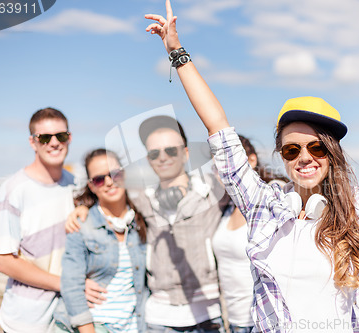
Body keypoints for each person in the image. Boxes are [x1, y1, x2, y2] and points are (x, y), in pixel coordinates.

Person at [145, 1, 359, 332]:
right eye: (292, 149)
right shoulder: (264, 206)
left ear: (332, 152)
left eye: (316, 147)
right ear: (283, 156)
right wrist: (177, 51)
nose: (304, 157)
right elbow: (217, 125)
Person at [66, 116, 227, 332]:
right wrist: (82, 206)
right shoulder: (141, 199)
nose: (163, 158)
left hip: (208, 314)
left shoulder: (216, 191)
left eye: (171, 150)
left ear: (185, 153)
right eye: (154, 153)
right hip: (158, 319)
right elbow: (109, 194)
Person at [0, 107, 75, 332]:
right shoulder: (13, 190)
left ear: (70, 137)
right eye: (45, 137)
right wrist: (66, 285)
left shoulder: (76, 185)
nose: (54, 142)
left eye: (61, 135)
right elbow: (4, 261)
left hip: (69, 316)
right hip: (27, 321)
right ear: (33, 142)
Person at [54, 149, 147, 333]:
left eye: (115, 174)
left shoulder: (141, 220)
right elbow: (72, 284)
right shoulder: (81, 225)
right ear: (91, 186)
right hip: (93, 326)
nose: (109, 182)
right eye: (99, 179)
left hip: (133, 326)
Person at [212, 135, 286, 333]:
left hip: (264, 321)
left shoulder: (272, 195)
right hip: (233, 320)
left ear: (251, 160)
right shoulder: (226, 208)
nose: (223, 172)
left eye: (226, 164)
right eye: (216, 168)